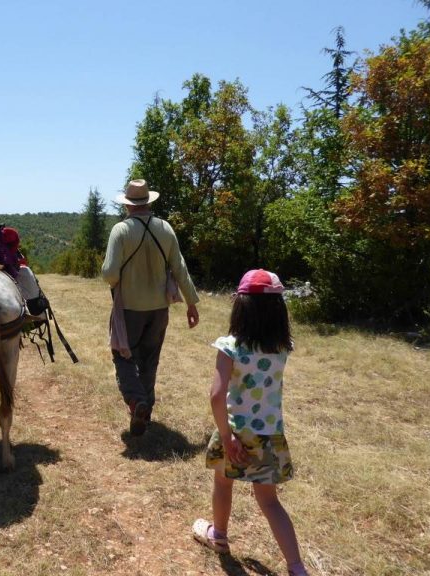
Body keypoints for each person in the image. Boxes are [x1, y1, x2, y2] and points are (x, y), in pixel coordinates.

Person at [192, 269, 308, 576]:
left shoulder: (229, 346)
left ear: (239, 306)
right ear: (279, 311)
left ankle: (218, 535)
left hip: (235, 433)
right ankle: (296, 567)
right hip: (269, 434)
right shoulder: (283, 348)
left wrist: (227, 437)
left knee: (223, 484)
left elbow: (217, 396)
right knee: (270, 502)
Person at [101, 179, 200, 436]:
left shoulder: (120, 231)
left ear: (127, 205)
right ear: (148, 202)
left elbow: (109, 273)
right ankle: (145, 411)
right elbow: (179, 268)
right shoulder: (165, 228)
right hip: (159, 309)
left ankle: (136, 402)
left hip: (129, 308)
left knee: (123, 355)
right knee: (149, 359)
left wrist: (119, 277)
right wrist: (191, 302)